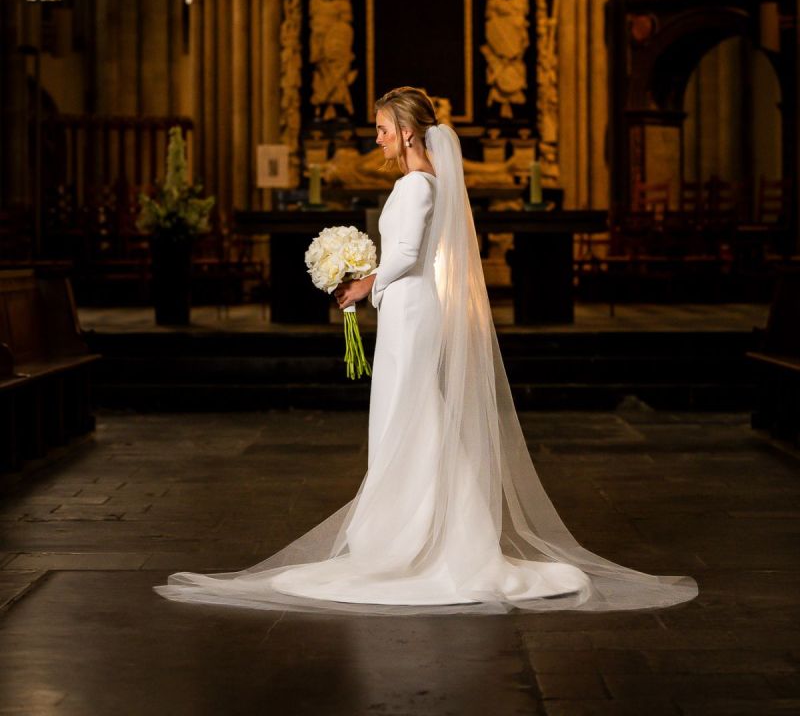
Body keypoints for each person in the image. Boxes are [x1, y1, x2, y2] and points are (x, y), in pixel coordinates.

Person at [155, 86, 697, 615]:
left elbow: (409, 252)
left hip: (412, 311)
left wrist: (364, 283)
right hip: (409, 308)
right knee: (412, 414)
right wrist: (368, 281)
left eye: (383, 129)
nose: (378, 139)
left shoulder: (416, 185)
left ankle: (416, 539)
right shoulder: (425, 181)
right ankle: (424, 528)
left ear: (409, 130)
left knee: (410, 413)